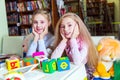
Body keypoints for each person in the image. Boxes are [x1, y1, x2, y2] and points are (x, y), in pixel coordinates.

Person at [51, 13, 98, 79]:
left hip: (85, 71)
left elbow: (77, 61)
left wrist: (73, 39)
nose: (66, 29)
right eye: (62, 26)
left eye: (69, 25)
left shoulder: (84, 42)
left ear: (78, 27)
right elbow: (53, 59)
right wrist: (63, 41)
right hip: (73, 70)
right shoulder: (66, 41)